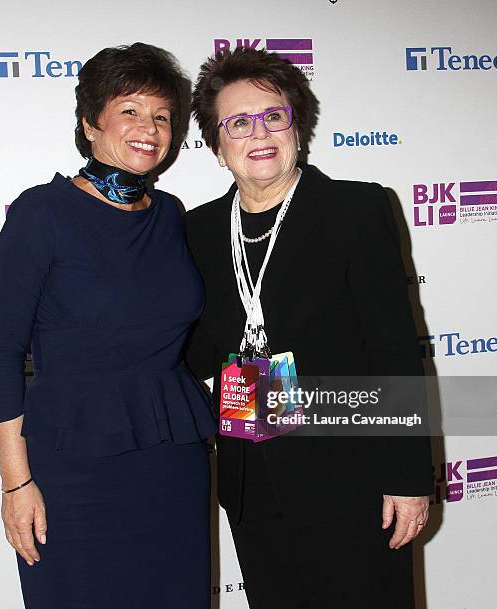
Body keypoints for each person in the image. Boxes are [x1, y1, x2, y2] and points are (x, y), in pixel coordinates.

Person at [185, 47, 433, 609]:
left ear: (298, 127)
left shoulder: (356, 211)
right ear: (218, 147)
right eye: (239, 123)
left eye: (275, 116)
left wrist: (409, 476)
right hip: (252, 474)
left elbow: (394, 349)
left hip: (353, 477)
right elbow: (199, 349)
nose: (260, 133)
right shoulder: (199, 230)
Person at [0, 43, 216, 609]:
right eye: (130, 110)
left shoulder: (170, 215)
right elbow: (3, 354)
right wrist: (16, 482)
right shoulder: (41, 213)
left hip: (171, 457)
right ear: (90, 124)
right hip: (73, 465)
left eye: (162, 116)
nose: (150, 128)